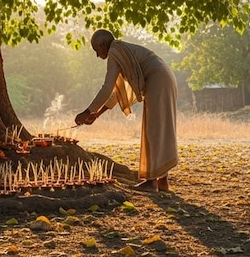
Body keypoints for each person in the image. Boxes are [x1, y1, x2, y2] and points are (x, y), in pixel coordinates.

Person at [75, 29, 178, 192]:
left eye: (96, 50)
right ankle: (162, 181)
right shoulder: (121, 52)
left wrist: (87, 111)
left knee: (154, 129)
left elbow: (107, 88)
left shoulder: (115, 52)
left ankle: (152, 182)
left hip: (158, 79)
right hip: (165, 77)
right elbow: (117, 93)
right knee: (159, 128)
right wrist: (97, 114)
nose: (97, 55)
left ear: (103, 44)